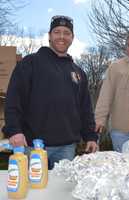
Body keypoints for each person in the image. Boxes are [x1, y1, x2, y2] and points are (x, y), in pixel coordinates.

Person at [2, 15, 98, 169]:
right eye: (57, 32)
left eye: (66, 33)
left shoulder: (78, 72)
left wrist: (91, 137)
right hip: (33, 146)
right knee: (34, 192)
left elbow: (85, 109)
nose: (62, 36)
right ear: (49, 36)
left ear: (72, 38)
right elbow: (14, 99)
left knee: (60, 192)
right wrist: (14, 131)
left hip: (67, 148)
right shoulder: (30, 63)